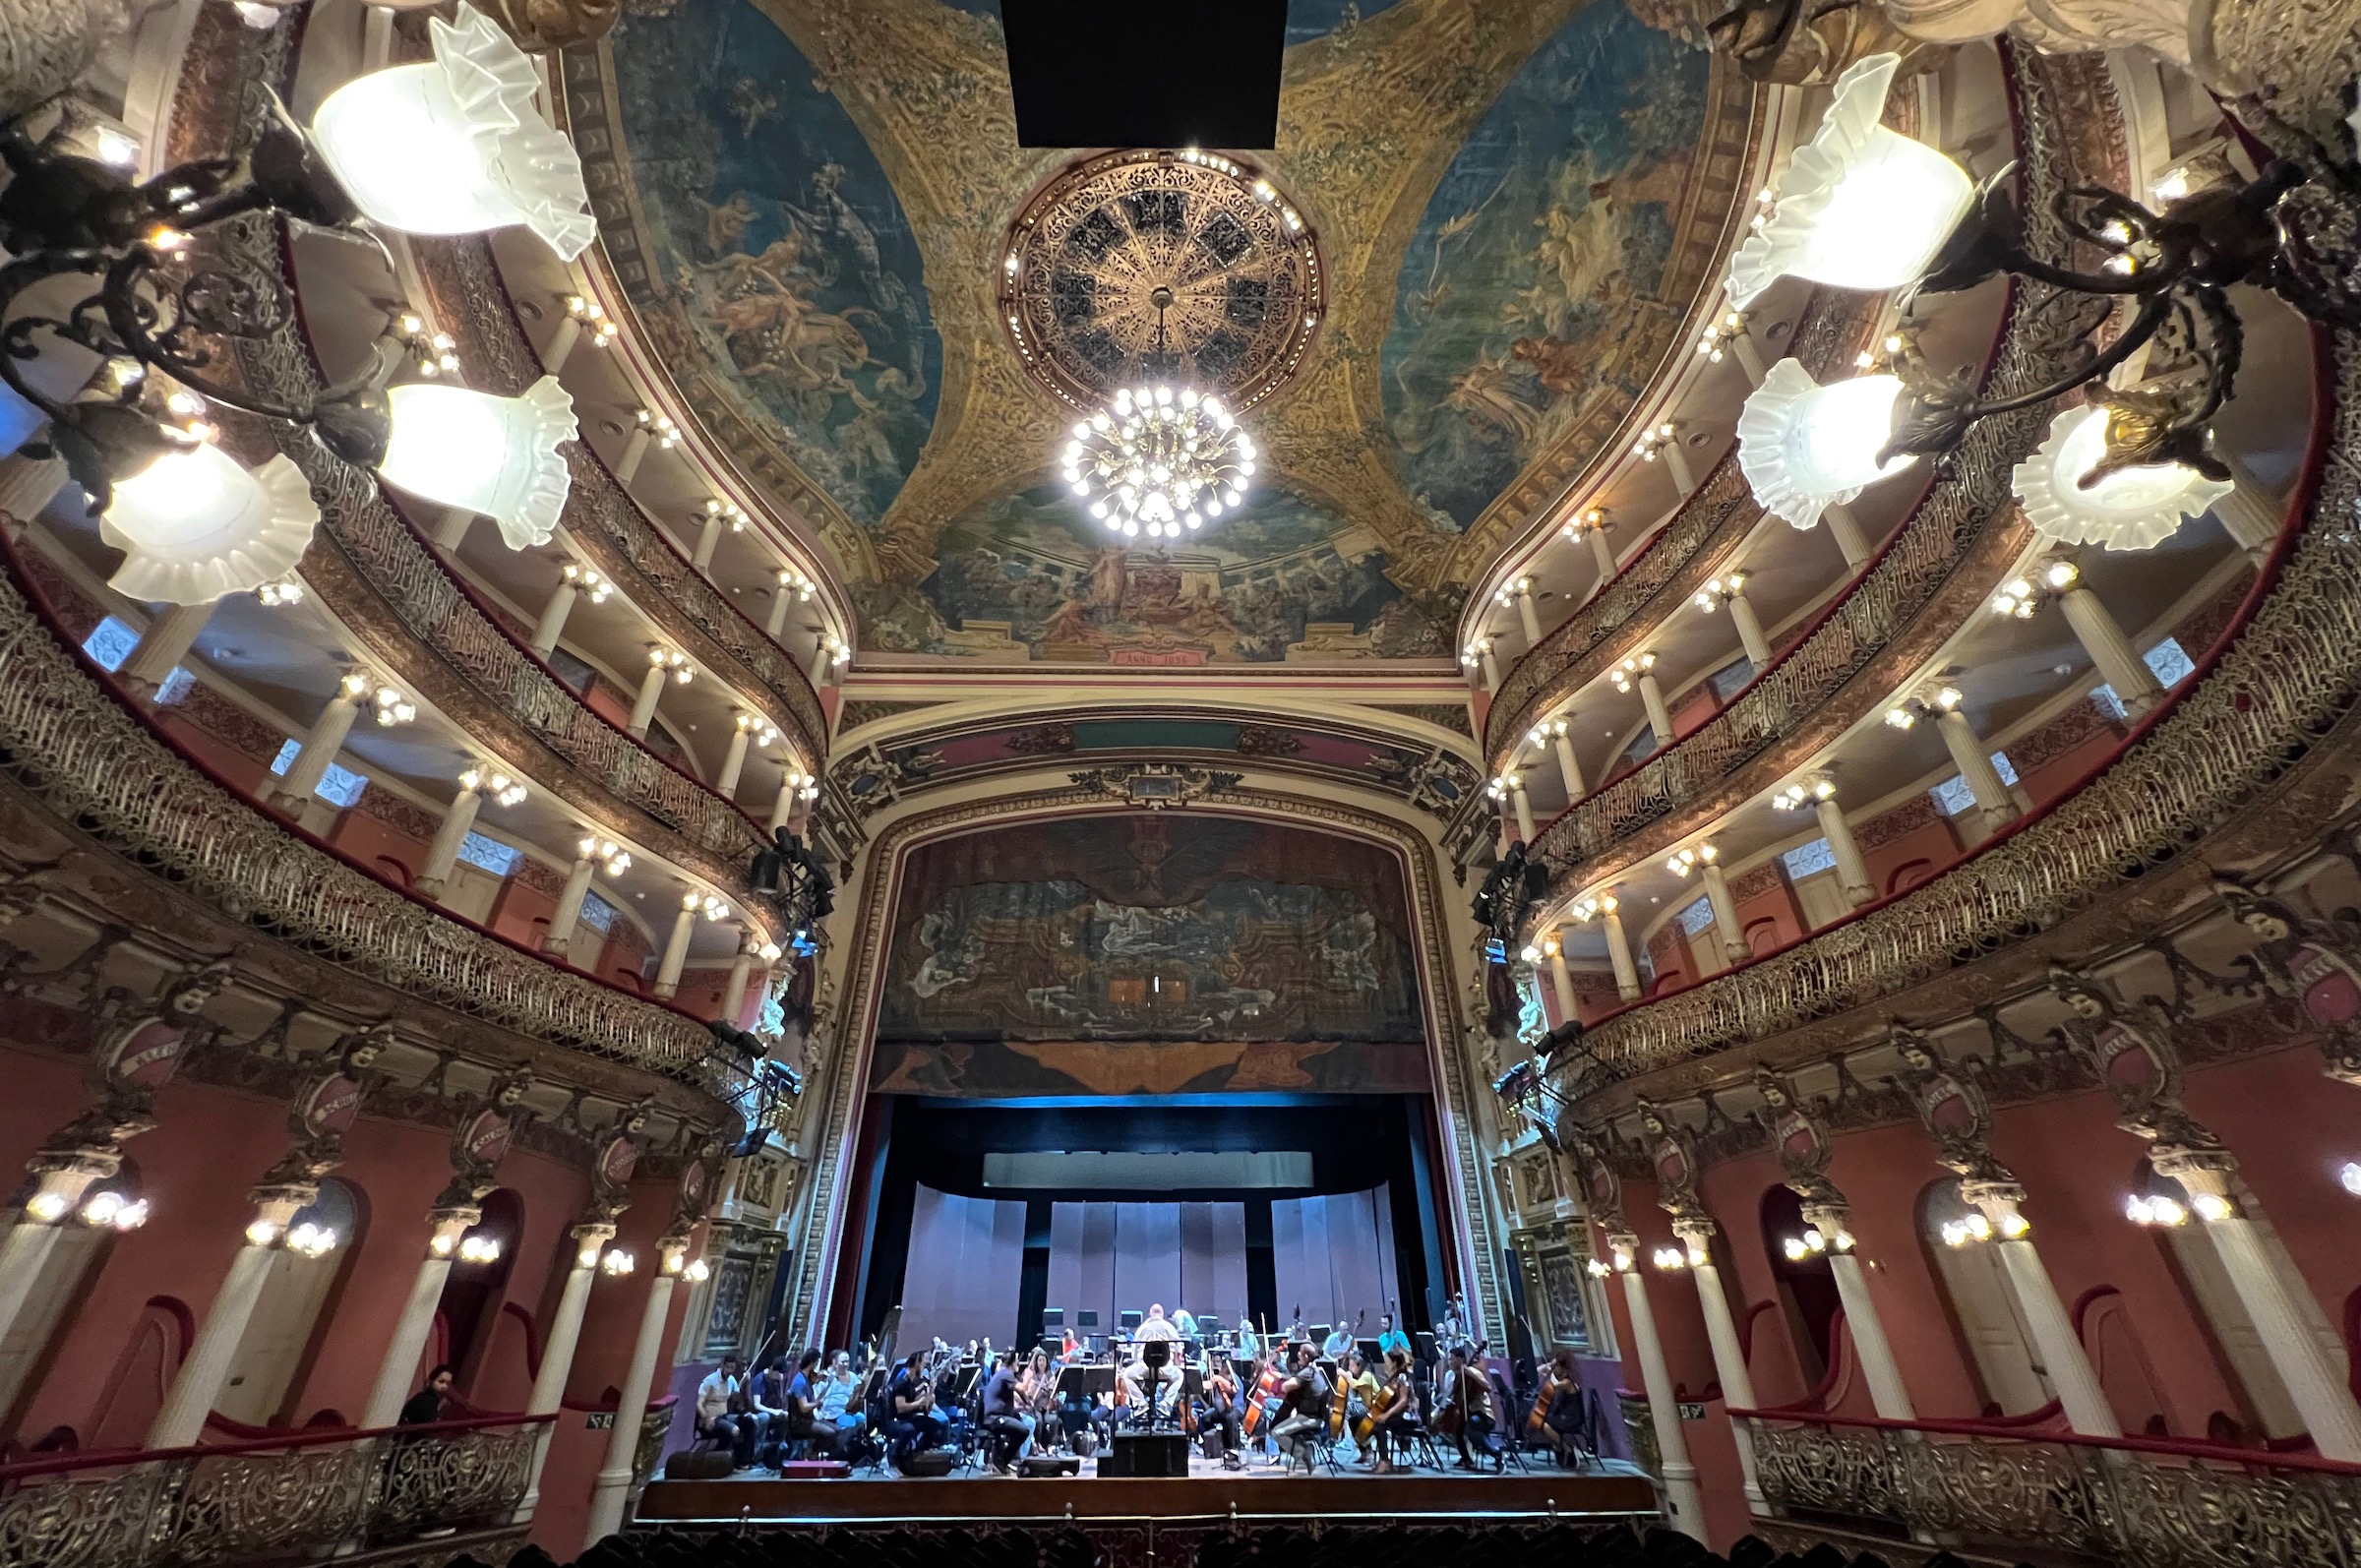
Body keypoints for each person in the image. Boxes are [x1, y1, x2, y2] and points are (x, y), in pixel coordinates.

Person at [1269, 1342, 1330, 1472]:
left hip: (1308, 1418)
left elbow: (1286, 1387)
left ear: (1306, 1356)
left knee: (1276, 1432)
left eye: (1300, 1354)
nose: (1298, 1355)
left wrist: (1282, 1379)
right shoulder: (1317, 1371)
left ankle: (1302, 1454)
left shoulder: (1308, 1372)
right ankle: (1304, 1453)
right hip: (1317, 1418)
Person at [1120, 1302, 1183, 1419]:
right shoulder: (1169, 1327)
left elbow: (1134, 1351)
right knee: (1179, 1375)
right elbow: (1179, 1348)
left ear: (1150, 1314)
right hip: (1164, 1368)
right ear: (1162, 1315)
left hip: (1144, 1368)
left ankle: (1141, 1403)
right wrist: (1174, 1363)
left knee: (1127, 1375)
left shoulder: (1142, 1328)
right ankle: (1165, 1404)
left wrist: (1137, 1363)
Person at [696, 1354, 757, 1469]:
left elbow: (737, 1398)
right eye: (728, 1367)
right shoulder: (710, 1380)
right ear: (722, 1366)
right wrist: (706, 1418)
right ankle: (722, 1457)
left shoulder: (731, 1380)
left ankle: (744, 1461)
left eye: (732, 1368)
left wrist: (747, 1383)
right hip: (711, 1419)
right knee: (734, 1430)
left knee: (749, 1422)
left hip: (724, 1417)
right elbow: (699, 1404)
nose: (730, 1371)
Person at [1438, 1345, 1494, 1471]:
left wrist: (1471, 1374)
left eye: (1452, 1359)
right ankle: (1466, 1458)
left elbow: (1488, 1388)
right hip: (1470, 1412)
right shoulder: (1458, 1375)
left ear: (1460, 1359)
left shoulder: (1473, 1372)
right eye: (1449, 1359)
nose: (1450, 1362)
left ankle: (1497, 1454)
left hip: (1483, 1413)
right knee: (1455, 1429)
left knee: (1468, 1427)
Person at [980, 1348, 1034, 1470]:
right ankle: (1002, 1460)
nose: (1019, 1364)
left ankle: (1007, 1459)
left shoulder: (1003, 1373)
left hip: (999, 1415)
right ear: (1013, 1362)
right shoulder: (1005, 1374)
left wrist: (1027, 1402)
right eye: (1017, 1361)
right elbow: (1022, 1388)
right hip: (994, 1418)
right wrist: (1028, 1374)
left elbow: (1019, 1392)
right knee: (1023, 1431)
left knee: (1022, 1420)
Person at [885, 1350, 942, 1461]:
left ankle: (919, 1455)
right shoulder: (902, 1382)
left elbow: (927, 1409)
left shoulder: (915, 1382)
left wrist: (931, 1391)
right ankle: (895, 1456)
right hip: (898, 1419)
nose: (924, 1367)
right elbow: (900, 1408)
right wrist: (918, 1403)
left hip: (910, 1417)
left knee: (935, 1426)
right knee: (908, 1429)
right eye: (923, 1363)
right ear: (917, 1362)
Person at [1368, 1350, 1420, 1474]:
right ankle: (1371, 1453)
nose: (1384, 1363)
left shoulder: (1402, 1377)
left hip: (1407, 1417)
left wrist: (1386, 1414)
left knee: (1380, 1423)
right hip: (1395, 1416)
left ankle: (1384, 1460)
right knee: (1367, 1421)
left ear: (1394, 1363)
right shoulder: (1392, 1378)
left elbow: (1403, 1401)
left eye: (1387, 1361)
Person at [1197, 1348, 1244, 1470]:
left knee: (1231, 1417)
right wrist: (1196, 1384)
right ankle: (1209, 1443)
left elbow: (1234, 1394)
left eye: (1226, 1369)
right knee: (1206, 1417)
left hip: (1236, 1409)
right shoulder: (1218, 1378)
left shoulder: (1234, 1379)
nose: (1223, 1370)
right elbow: (1207, 1385)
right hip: (1222, 1409)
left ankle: (1233, 1449)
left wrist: (1221, 1380)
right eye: (1223, 1369)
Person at [1333, 1349, 1381, 1462]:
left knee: (1348, 1409)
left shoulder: (1367, 1375)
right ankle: (1364, 1450)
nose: (1350, 1368)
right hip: (1366, 1406)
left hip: (1375, 1408)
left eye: (1352, 1366)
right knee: (1353, 1421)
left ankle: (1348, 1439)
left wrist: (1345, 1375)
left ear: (1359, 1367)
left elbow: (1356, 1385)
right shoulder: (1358, 1376)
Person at [815, 1350, 865, 1455]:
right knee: (849, 1422)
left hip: (849, 1410)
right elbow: (817, 1396)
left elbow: (860, 1389)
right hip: (834, 1413)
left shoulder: (852, 1376)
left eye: (847, 1361)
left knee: (862, 1418)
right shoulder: (828, 1377)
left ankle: (852, 1449)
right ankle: (836, 1453)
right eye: (843, 1362)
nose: (845, 1364)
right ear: (834, 1362)